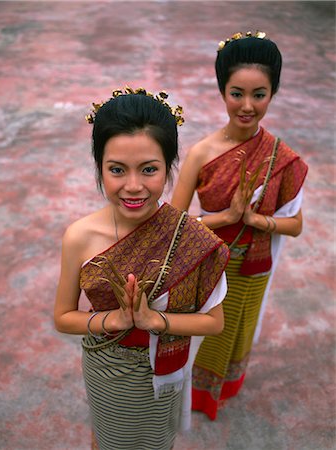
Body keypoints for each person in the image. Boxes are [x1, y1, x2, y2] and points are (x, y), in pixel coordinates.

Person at [54, 86, 229, 450]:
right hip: (107, 369)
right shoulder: (80, 237)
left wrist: (155, 322)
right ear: (99, 167)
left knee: (155, 441)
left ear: (169, 168)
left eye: (149, 169)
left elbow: (214, 322)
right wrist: (114, 320)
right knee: (108, 437)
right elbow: (64, 317)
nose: (133, 187)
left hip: (165, 371)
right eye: (117, 169)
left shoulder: (190, 237)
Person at [171, 31, 308, 420]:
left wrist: (256, 220)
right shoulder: (201, 153)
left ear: (273, 92)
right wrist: (227, 218)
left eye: (259, 94)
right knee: (206, 336)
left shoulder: (282, 157)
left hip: (254, 269)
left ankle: (222, 390)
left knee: (240, 330)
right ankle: (192, 399)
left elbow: (295, 225)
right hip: (211, 266)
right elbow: (174, 225)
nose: (247, 106)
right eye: (236, 93)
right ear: (222, 90)